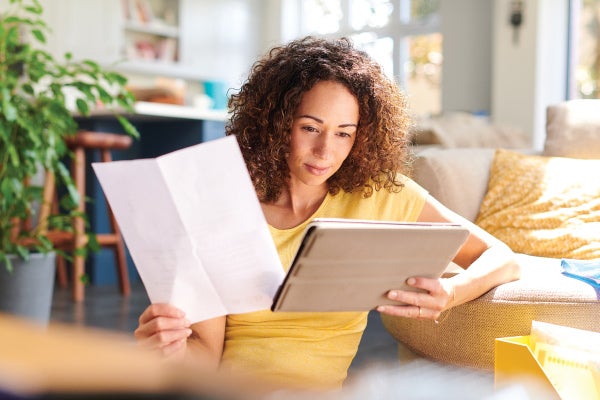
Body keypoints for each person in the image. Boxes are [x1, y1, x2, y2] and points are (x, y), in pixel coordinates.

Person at [134, 36, 520, 391]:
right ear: (277, 123)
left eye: (343, 133)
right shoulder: (224, 202)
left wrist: (451, 292)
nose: (325, 152)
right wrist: (170, 349)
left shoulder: (380, 194)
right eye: (310, 128)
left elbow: (501, 258)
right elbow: (206, 356)